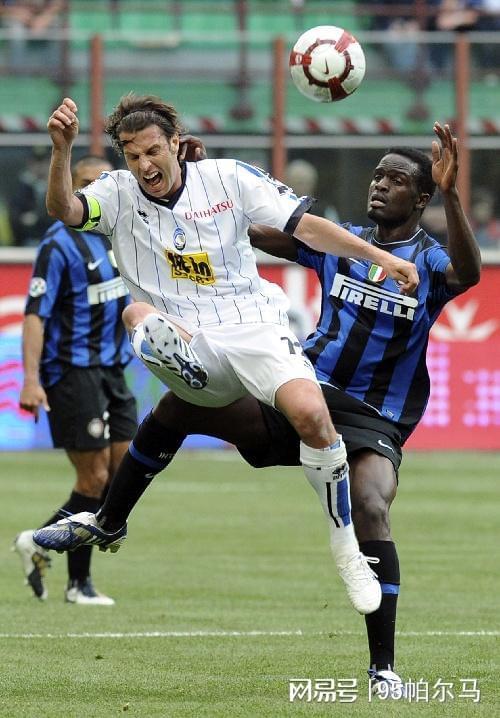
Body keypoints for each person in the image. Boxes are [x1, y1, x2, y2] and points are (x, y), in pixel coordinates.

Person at [35, 121, 479, 693]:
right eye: (377, 175)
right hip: (305, 387)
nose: (379, 185)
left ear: (420, 198)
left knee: (371, 504)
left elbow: (469, 274)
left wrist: (452, 196)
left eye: (395, 180)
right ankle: (108, 520)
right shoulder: (341, 243)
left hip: (375, 415)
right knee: (182, 406)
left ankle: (382, 668)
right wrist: (194, 182)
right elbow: (256, 230)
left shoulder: (428, 262)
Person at [14, 155, 138, 605]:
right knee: (94, 477)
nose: (91, 191)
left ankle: (38, 541)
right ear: (70, 186)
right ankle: (77, 583)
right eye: (83, 183)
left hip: (113, 370)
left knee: (121, 474)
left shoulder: (121, 234)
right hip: (71, 371)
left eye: (101, 182)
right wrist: (31, 380)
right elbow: (35, 314)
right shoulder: (59, 243)